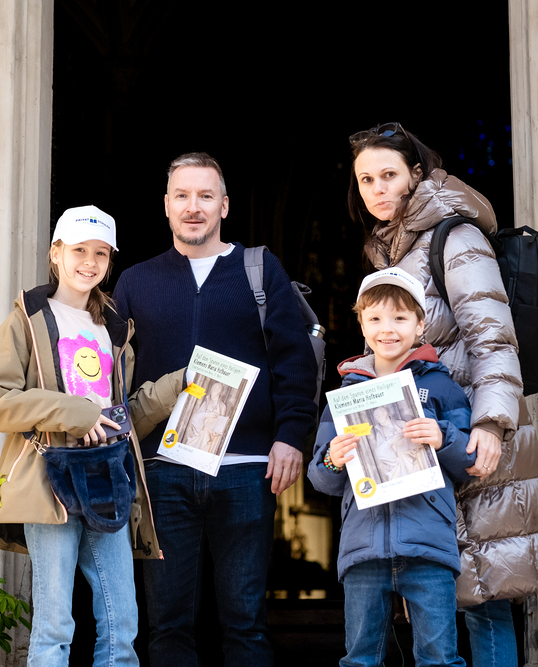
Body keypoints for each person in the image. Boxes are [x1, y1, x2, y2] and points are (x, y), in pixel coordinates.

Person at [348, 122, 538, 667]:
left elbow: (492, 337)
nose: (377, 189)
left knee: (485, 595)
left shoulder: (454, 237)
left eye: (388, 175)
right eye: (366, 180)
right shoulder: (394, 249)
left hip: (468, 431)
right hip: (431, 438)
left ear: (415, 174)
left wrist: (491, 425)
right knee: (460, 587)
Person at [112, 152, 318, 667]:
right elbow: (111, 376)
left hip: (246, 470)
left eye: (205, 196)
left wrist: (290, 437)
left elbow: (294, 361)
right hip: (162, 470)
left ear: (223, 205)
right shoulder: (135, 282)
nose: (193, 207)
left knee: (246, 626)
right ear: (166, 205)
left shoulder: (260, 271)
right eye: (182, 195)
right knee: (167, 625)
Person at [0, 205, 185, 667]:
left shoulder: (113, 327)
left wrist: (180, 385)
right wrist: (75, 413)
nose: (89, 262)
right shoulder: (27, 319)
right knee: (54, 626)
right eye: (78, 250)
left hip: (107, 479)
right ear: (56, 253)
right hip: (47, 479)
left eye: (101, 253)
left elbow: (121, 417)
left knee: (122, 624)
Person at [308, 267, 475, 667]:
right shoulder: (347, 392)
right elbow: (319, 477)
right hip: (363, 548)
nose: (387, 329)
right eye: (376, 318)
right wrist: (333, 459)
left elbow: (470, 459)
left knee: (439, 658)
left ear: (420, 325)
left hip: (428, 545)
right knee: (361, 659)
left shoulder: (441, 386)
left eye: (400, 318)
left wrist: (443, 437)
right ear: (362, 326)